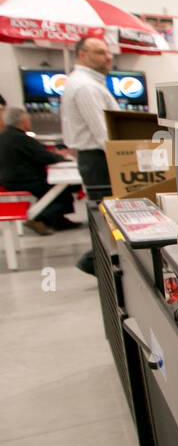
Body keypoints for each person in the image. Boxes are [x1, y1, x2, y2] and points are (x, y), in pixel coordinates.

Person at [61, 35, 119, 275]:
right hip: (100, 160)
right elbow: (103, 133)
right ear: (81, 55)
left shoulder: (87, 83)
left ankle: (103, 262)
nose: (107, 57)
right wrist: (125, 162)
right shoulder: (86, 86)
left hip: (96, 158)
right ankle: (100, 263)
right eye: (99, 52)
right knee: (107, 215)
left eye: (107, 52)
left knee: (106, 214)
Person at [0, 106, 77, 234]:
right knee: (62, 192)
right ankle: (38, 218)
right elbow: (43, 156)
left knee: (59, 189)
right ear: (23, 122)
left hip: (8, 180)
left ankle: (58, 221)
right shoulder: (20, 138)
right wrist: (61, 157)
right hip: (24, 181)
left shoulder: (4, 136)